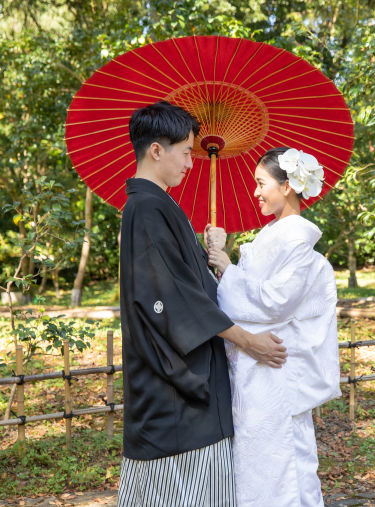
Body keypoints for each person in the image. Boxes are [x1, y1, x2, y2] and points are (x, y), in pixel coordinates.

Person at [117, 101, 288, 507]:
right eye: (185, 152)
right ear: (156, 150)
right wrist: (247, 340)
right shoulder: (146, 208)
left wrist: (213, 255)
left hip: (186, 377)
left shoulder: (157, 206)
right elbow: (175, 300)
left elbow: (190, 287)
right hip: (175, 388)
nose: (191, 164)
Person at [206, 147, 341, 507]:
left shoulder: (295, 239)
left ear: (287, 187)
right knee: (258, 459)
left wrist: (228, 268)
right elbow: (250, 291)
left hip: (274, 368)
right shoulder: (276, 234)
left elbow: (273, 302)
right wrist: (223, 257)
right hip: (258, 367)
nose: (256, 192)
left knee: (281, 463)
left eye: (261, 183)